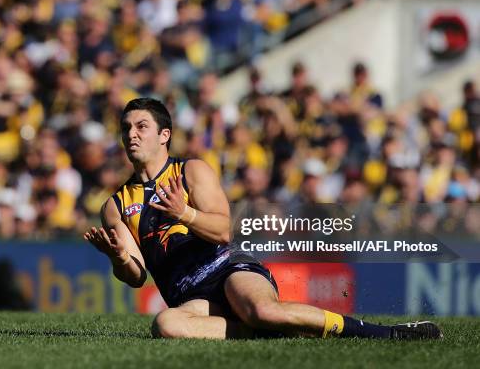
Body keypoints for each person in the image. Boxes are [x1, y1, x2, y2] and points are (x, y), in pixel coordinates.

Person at [84, 98, 442, 340]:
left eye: (141, 126)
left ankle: (384, 332)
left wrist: (184, 212)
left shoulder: (190, 171)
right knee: (165, 324)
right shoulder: (115, 205)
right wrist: (118, 257)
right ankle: (262, 328)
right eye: (126, 127)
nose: (131, 134)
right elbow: (135, 276)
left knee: (262, 310)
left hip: (226, 269)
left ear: (165, 135)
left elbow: (223, 231)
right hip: (188, 295)